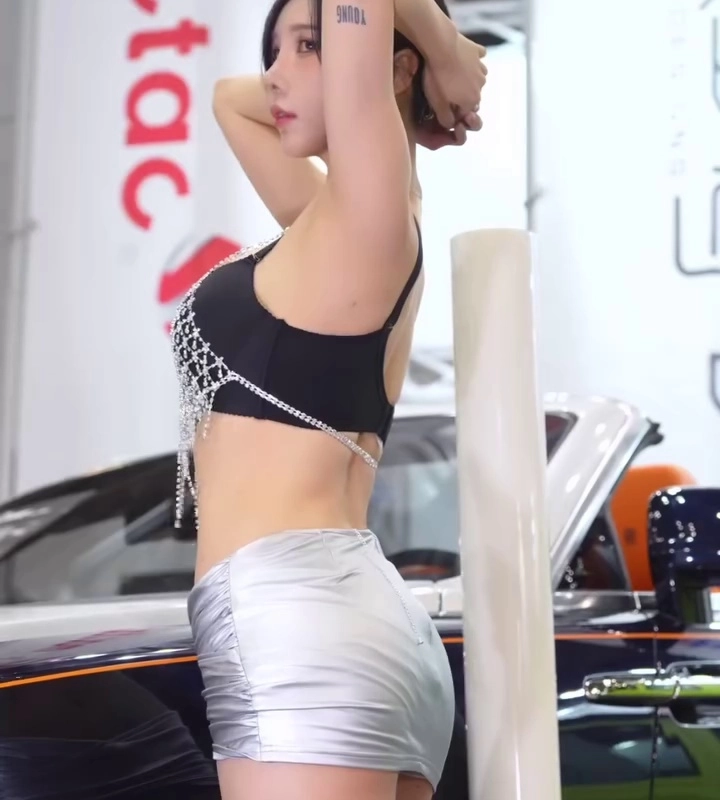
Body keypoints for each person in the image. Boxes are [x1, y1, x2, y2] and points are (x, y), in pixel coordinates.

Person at [170, 0, 487, 797]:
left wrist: (441, 45)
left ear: (390, 67)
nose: (276, 74)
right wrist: (426, 61)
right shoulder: (338, 225)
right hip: (345, 621)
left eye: (311, 46)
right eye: (273, 50)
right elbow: (231, 99)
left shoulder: (368, 214)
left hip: (296, 627)